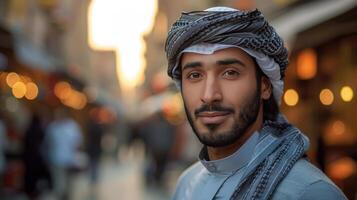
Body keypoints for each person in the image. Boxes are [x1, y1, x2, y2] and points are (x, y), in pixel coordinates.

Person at [164, 6, 347, 200]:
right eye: (194, 75)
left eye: (230, 73)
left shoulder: (311, 192)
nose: (209, 95)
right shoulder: (186, 185)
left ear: (265, 86)